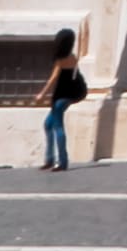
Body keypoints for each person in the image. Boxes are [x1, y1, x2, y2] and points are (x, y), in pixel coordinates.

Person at [39, 28, 86, 173]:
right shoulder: (73, 57)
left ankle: (62, 162)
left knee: (58, 127)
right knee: (48, 124)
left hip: (61, 97)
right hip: (70, 95)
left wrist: (42, 94)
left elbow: (53, 79)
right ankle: (49, 159)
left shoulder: (60, 60)